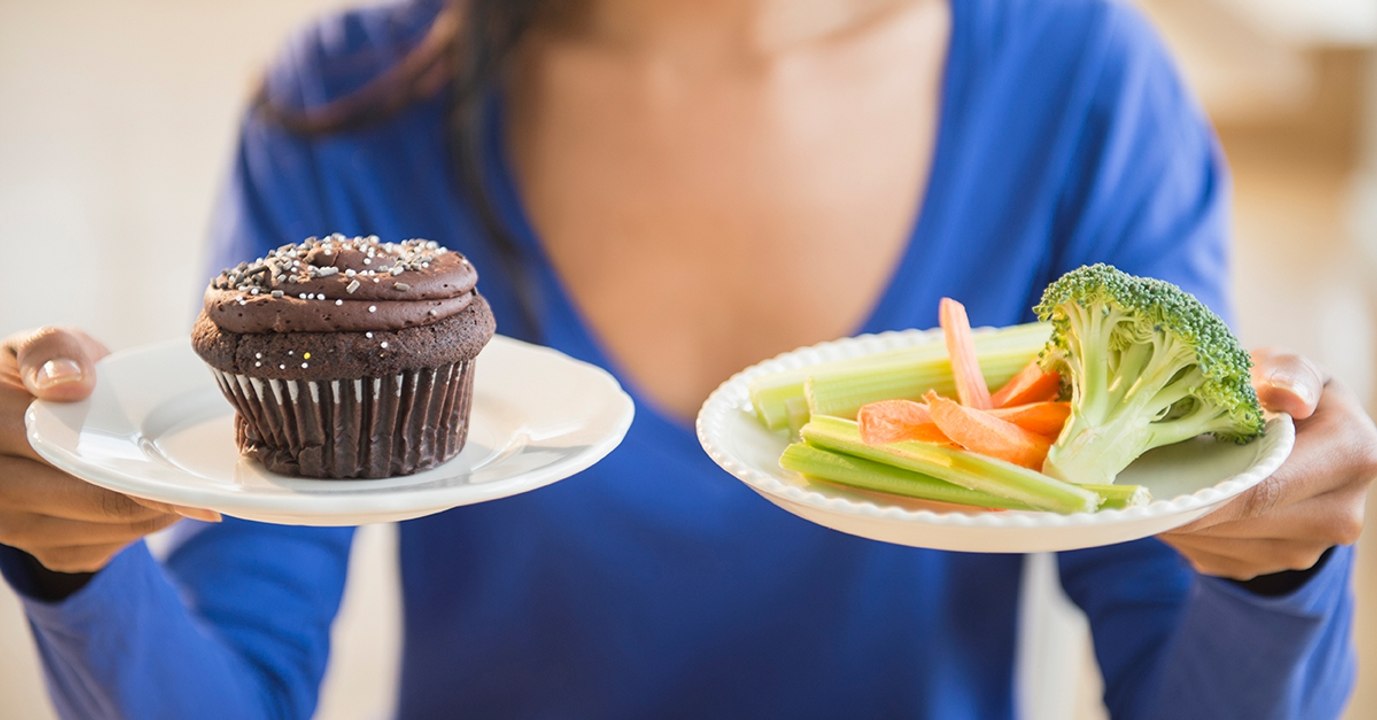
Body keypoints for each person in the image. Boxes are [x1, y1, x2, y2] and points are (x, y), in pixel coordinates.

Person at [1, 0, 1373, 717]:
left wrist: (1279, 567)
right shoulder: (343, 109)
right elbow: (231, 684)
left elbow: (1188, 678)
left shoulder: (1083, 84)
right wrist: (74, 557)